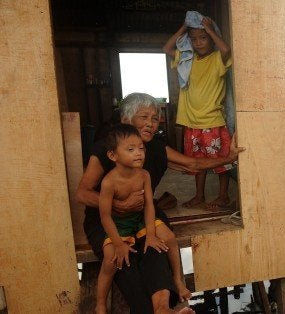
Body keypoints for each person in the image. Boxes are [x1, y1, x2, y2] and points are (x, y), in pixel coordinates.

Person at [76, 92, 244, 313]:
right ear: (126, 120)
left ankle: (163, 308)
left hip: (143, 212)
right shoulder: (106, 149)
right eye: (143, 117)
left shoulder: (155, 146)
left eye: (155, 119)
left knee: (156, 249)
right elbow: (82, 193)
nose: (150, 124)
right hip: (106, 219)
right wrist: (118, 205)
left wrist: (229, 158)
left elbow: (191, 164)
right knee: (124, 260)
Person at [95, 124, 190, 314]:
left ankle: (178, 280)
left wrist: (152, 234)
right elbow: (105, 216)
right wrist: (118, 244)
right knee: (110, 260)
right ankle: (100, 304)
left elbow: (148, 205)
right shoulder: (109, 182)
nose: (138, 153)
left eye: (141, 148)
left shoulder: (144, 175)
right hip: (119, 224)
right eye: (130, 149)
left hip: (139, 218)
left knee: (169, 238)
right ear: (113, 156)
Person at [163, 11, 234, 211]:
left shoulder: (217, 60)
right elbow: (167, 47)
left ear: (211, 38)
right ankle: (199, 196)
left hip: (213, 121)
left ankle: (223, 196)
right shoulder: (187, 60)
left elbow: (226, 48)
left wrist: (210, 30)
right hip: (192, 123)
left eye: (203, 38)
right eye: (194, 39)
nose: (198, 43)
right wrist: (184, 28)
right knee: (197, 164)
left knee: (221, 164)